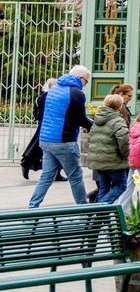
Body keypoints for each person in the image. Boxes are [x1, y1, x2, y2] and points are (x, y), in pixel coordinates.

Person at [28, 66, 93, 208]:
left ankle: (33, 206)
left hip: (46, 140)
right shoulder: (76, 94)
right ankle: (84, 208)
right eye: (86, 82)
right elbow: (80, 118)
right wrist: (94, 126)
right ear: (80, 78)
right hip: (63, 142)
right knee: (75, 176)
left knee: (46, 176)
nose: (85, 85)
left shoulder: (53, 90)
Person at [21, 78, 66, 181]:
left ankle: (57, 173)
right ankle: (26, 163)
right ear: (49, 86)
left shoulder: (52, 96)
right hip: (46, 126)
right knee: (37, 147)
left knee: (55, 150)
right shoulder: (46, 96)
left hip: (54, 126)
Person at [89, 93, 131, 204]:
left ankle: (100, 220)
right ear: (119, 106)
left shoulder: (97, 119)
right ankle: (99, 209)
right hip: (113, 161)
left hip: (99, 160)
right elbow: (124, 142)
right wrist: (125, 156)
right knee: (121, 186)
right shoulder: (117, 120)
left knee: (104, 189)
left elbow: (92, 138)